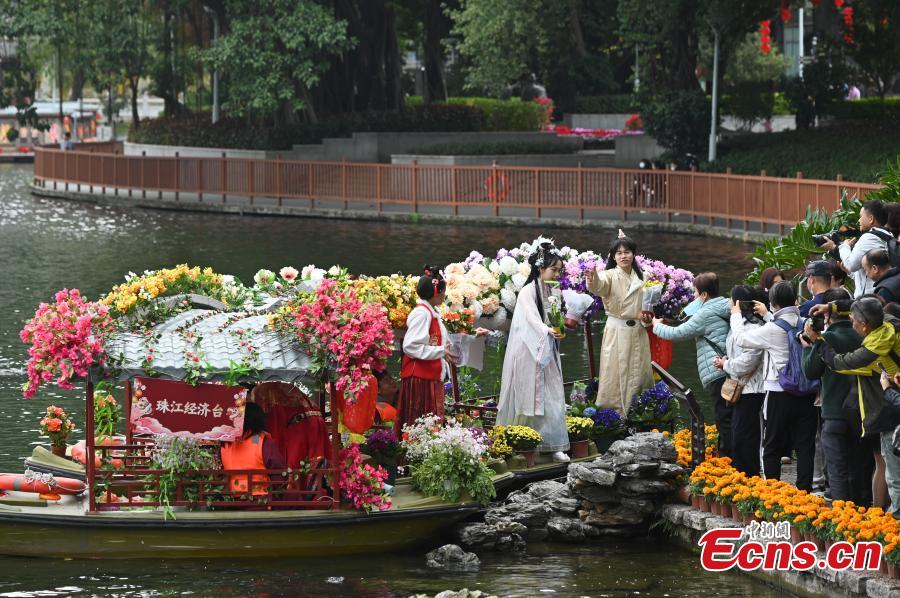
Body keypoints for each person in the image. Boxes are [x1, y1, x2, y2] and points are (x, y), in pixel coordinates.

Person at [812, 296, 900, 513]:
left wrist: (818, 342)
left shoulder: (874, 348)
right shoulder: (888, 320)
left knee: (893, 472)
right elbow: (865, 302)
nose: (851, 323)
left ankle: (893, 520)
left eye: (853, 321)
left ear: (865, 326)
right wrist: (831, 307)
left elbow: (840, 363)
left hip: (893, 406)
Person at [733, 281, 818, 491]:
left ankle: (773, 492)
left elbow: (741, 339)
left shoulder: (771, 329)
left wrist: (736, 315)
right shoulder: (806, 324)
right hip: (807, 393)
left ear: (773, 303)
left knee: (771, 445)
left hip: (779, 392)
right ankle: (804, 492)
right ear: (795, 300)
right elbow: (786, 323)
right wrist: (768, 315)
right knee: (805, 446)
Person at [497, 240, 570, 462]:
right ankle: (525, 444)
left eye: (559, 270)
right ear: (540, 268)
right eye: (553, 270)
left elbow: (555, 317)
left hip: (547, 346)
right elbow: (531, 320)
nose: (557, 274)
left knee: (552, 395)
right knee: (529, 396)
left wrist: (559, 329)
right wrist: (548, 330)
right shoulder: (528, 292)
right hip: (529, 349)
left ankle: (552, 444)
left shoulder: (553, 290)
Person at [652, 272, 731, 456]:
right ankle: (732, 456)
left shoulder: (705, 313)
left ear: (704, 294)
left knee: (723, 418)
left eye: (695, 292)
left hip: (716, 370)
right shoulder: (726, 305)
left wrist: (656, 325)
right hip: (729, 367)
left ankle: (729, 459)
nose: (693, 296)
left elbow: (677, 333)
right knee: (730, 416)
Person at [801, 288, 866, 502]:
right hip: (861, 411)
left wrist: (807, 347)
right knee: (859, 466)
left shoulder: (827, 338)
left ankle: (842, 511)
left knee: (836, 467)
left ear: (827, 313)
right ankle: (863, 509)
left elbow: (811, 372)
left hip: (834, 412)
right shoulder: (864, 335)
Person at [585, 231, 654, 415]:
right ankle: (613, 414)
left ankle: (640, 412)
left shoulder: (644, 277)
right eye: (619, 253)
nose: (624, 256)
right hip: (617, 330)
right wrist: (592, 278)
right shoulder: (608, 275)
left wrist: (647, 319)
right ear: (613, 256)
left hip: (638, 329)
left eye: (627, 252)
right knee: (614, 372)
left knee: (639, 371)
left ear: (633, 254)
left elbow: (648, 304)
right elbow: (598, 286)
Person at [396, 266, 457, 435]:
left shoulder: (431, 313)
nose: (444, 295)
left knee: (430, 425)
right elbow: (410, 346)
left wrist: (444, 352)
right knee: (422, 425)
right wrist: (441, 351)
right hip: (420, 379)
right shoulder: (422, 314)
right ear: (437, 292)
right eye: (443, 291)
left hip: (428, 377)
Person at [713, 285, 767, 475]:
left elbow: (748, 362)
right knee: (738, 436)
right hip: (741, 388)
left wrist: (727, 365)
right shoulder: (737, 324)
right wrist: (725, 361)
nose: (729, 303)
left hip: (752, 390)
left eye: (731, 299)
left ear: (738, 303)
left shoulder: (755, 328)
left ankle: (750, 476)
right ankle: (742, 476)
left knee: (746, 437)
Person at [819, 200, 892, 298]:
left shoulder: (869, 237)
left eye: (861, 216)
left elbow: (851, 264)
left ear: (871, 219)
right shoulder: (887, 236)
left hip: (870, 299)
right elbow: (864, 274)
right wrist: (848, 271)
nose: (859, 220)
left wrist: (844, 246)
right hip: (878, 295)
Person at [251, 382, 329, 471]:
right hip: (315, 422)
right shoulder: (278, 389)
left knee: (296, 468)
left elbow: (275, 434)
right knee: (316, 465)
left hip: (300, 427)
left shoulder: (264, 395)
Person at [220, 402, 286, 498]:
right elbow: (278, 470)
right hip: (259, 499)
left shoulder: (226, 442)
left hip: (231, 499)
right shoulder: (259, 440)